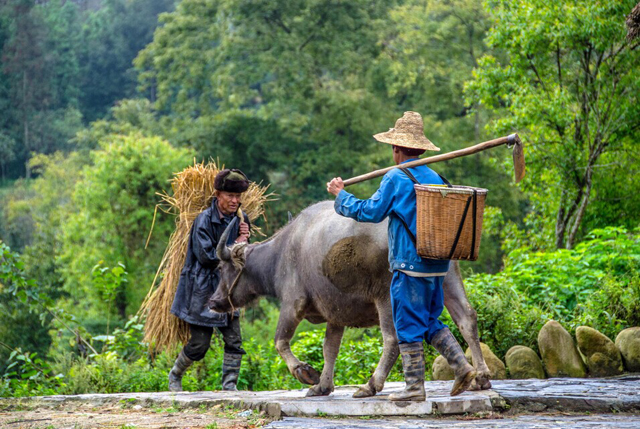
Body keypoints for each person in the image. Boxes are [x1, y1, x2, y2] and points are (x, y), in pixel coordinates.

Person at [326, 112, 476, 401]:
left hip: (409, 264)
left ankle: (414, 388)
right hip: (436, 266)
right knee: (430, 320)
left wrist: (341, 196)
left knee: (406, 324)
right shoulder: (436, 177)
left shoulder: (395, 177)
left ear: (396, 149)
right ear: (420, 149)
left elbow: (370, 212)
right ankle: (462, 366)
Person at [168, 169, 251, 392]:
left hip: (229, 289)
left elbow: (246, 255)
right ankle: (175, 374)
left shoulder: (242, 219)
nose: (235, 201)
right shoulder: (203, 221)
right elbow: (207, 257)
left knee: (234, 341)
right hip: (203, 291)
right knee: (199, 345)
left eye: (238, 197)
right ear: (218, 195)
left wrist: (246, 239)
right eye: (230, 196)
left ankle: (229, 387)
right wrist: (239, 242)